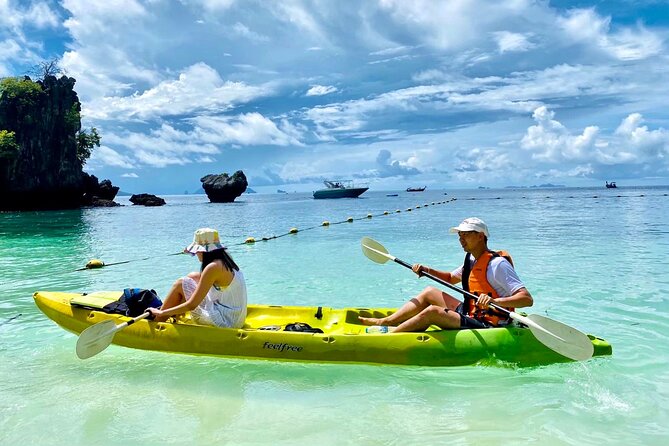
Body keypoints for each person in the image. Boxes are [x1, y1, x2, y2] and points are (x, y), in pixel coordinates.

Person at [359, 217, 533, 332]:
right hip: (472, 312)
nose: (461, 239)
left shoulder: (497, 265)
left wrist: (495, 302)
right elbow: (450, 278)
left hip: (488, 323)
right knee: (429, 291)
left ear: (480, 236)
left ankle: (390, 335)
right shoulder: (472, 260)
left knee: (433, 312)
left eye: (465, 235)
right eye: (459, 236)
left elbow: (526, 299)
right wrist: (427, 270)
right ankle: (385, 322)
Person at [146, 228, 247, 328]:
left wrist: (161, 312)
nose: (196, 254)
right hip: (235, 318)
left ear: (202, 251)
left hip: (226, 322)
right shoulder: (225, 261)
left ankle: (158, 322)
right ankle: (177, 314)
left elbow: (192, 305)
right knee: (192, 276)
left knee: (180, 283)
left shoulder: (213, 267)